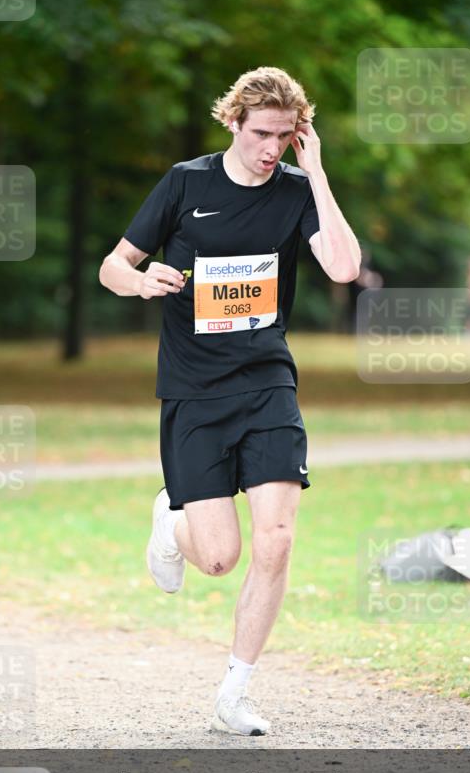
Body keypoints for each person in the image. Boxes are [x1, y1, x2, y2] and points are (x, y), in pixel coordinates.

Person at [99, 66, 360, 735]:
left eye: (285, 136)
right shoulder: (187, 183)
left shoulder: (298, 190)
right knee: (218, 558)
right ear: (234, 124)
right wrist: (139, 280)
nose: (271, 149)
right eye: (261, 134)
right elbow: (112, 265)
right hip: (193, 389)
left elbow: (342, 267)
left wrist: (319, 174)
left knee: (275, 539)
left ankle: (234, 693)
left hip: (266, 381)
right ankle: (171, 520)